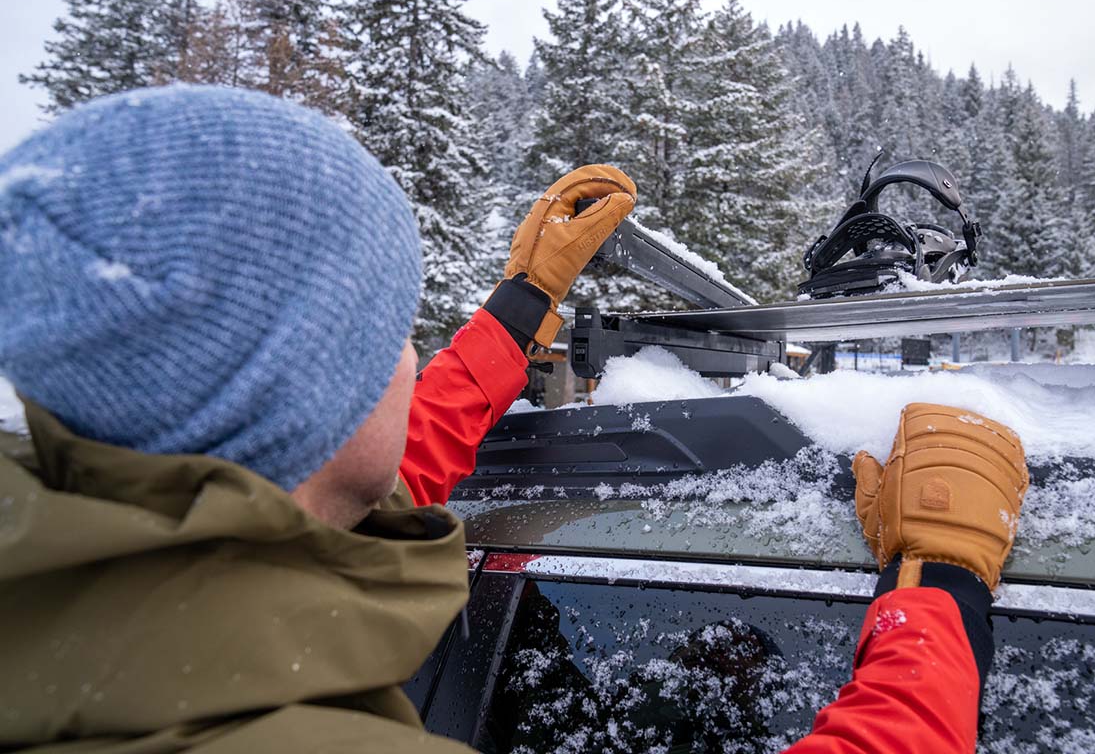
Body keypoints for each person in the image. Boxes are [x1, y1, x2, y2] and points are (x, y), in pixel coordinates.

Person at [0, 85, 1027, 753]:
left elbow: (375, 471)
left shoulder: (86, 599)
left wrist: (518, 305)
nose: (407, 359)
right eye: (381, 336)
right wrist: (937, 596)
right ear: (306, 397)